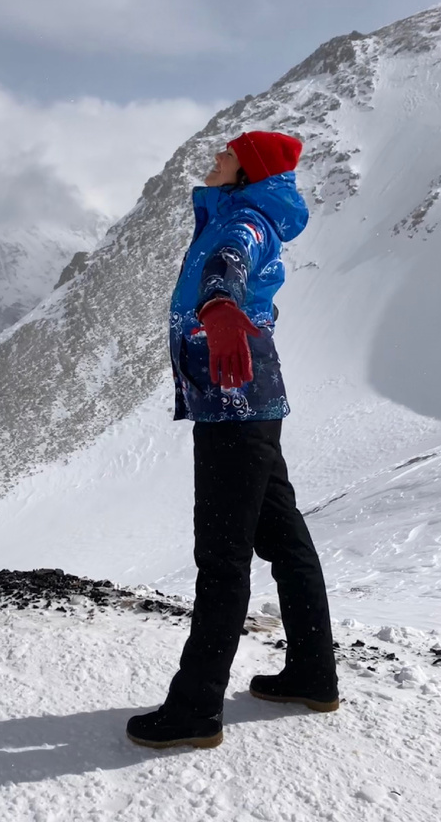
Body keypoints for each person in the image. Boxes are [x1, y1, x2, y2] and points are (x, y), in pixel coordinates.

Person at [126, 130, 339, 749]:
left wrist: (218, 307)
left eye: (224, 154)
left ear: (246, 170)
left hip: (232, 397)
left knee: (222, 557)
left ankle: (196, 709)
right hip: (254, 398)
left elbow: (229, 266)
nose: (213, 161)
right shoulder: (247, 211)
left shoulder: (242, 219)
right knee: (282, 535)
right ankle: (312, 671)